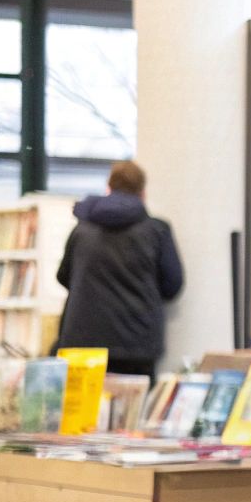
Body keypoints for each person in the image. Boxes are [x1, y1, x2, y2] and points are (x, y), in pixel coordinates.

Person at [54, 160, 184, 380]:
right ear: (142, 193)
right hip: (137, 344)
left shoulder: (82, 230)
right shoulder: (156, 231)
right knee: (133, 411)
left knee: (86, 413)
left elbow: (63, 276)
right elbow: (173, 285)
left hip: (84, 343)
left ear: (109, 188)